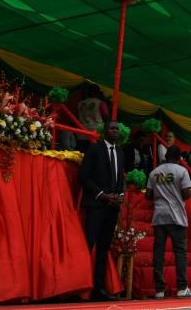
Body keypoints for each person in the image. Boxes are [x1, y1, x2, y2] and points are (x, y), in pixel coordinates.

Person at [79, 123, 125, 301]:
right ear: (105, 131)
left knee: (104, 249)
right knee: (88, 245)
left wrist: (120, 195)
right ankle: (80, 289)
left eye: (117, 129)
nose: (115, 131)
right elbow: (83, 177)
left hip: (112, 208)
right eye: (112, 128)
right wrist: (102, 195)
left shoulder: (120, 153)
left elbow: (119, 179)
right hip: (95, 205)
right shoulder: (94, 149)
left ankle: (98, 289)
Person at [146, 144, 191, 300]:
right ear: (179, 158)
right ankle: (182, 288)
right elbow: (187, 194)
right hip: (176, 217)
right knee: (180, 252)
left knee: (158, 252)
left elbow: (148, 195)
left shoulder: (154, 173)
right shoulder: (182, 171)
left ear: (166, 156)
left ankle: (159, 290)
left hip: (159, 216)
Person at [77, 84, 109, 152]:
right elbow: (106, 116)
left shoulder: (80, 103)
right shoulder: (100, 103)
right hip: (96, 134)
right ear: (98, 92)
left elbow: (77, 117)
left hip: (82, 133)